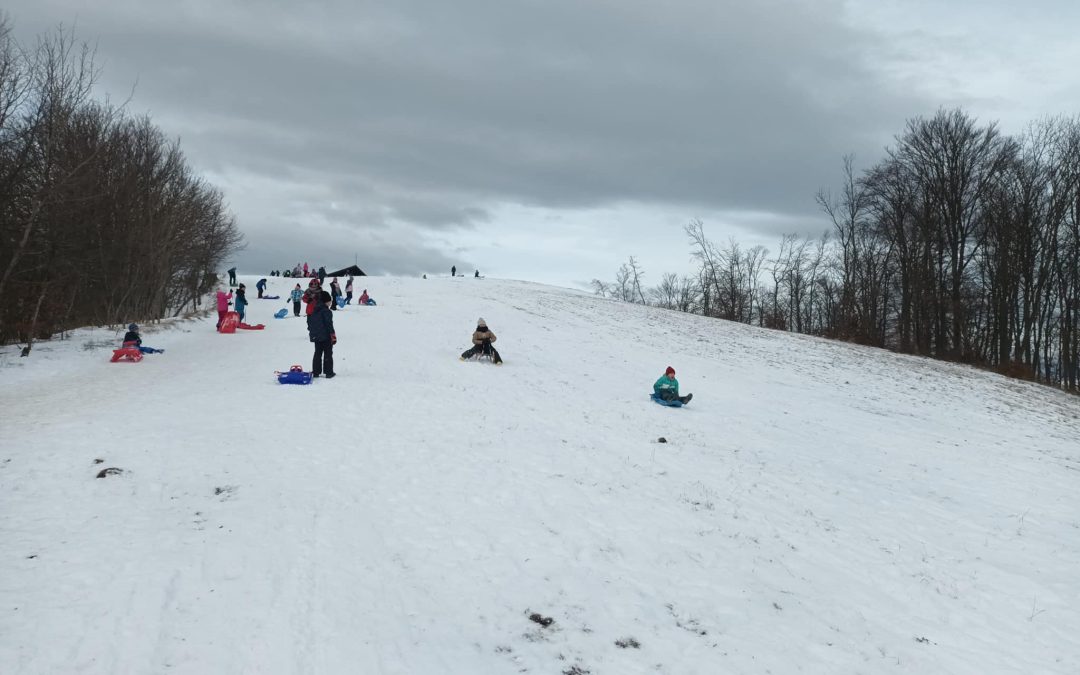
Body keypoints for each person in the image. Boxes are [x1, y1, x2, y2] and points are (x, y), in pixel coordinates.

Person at [307, 290, 336, 378]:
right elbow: (329, 324)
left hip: (317, 336)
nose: (331, 303)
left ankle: (316, 372)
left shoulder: (315, 310)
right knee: (328, 353)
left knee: (317, 353)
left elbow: (310, 323)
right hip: (326, 336)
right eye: (329, 301)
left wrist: (313, 334)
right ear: (325, 301)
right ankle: (329, 372)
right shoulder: (326, 311)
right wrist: (333, 336)